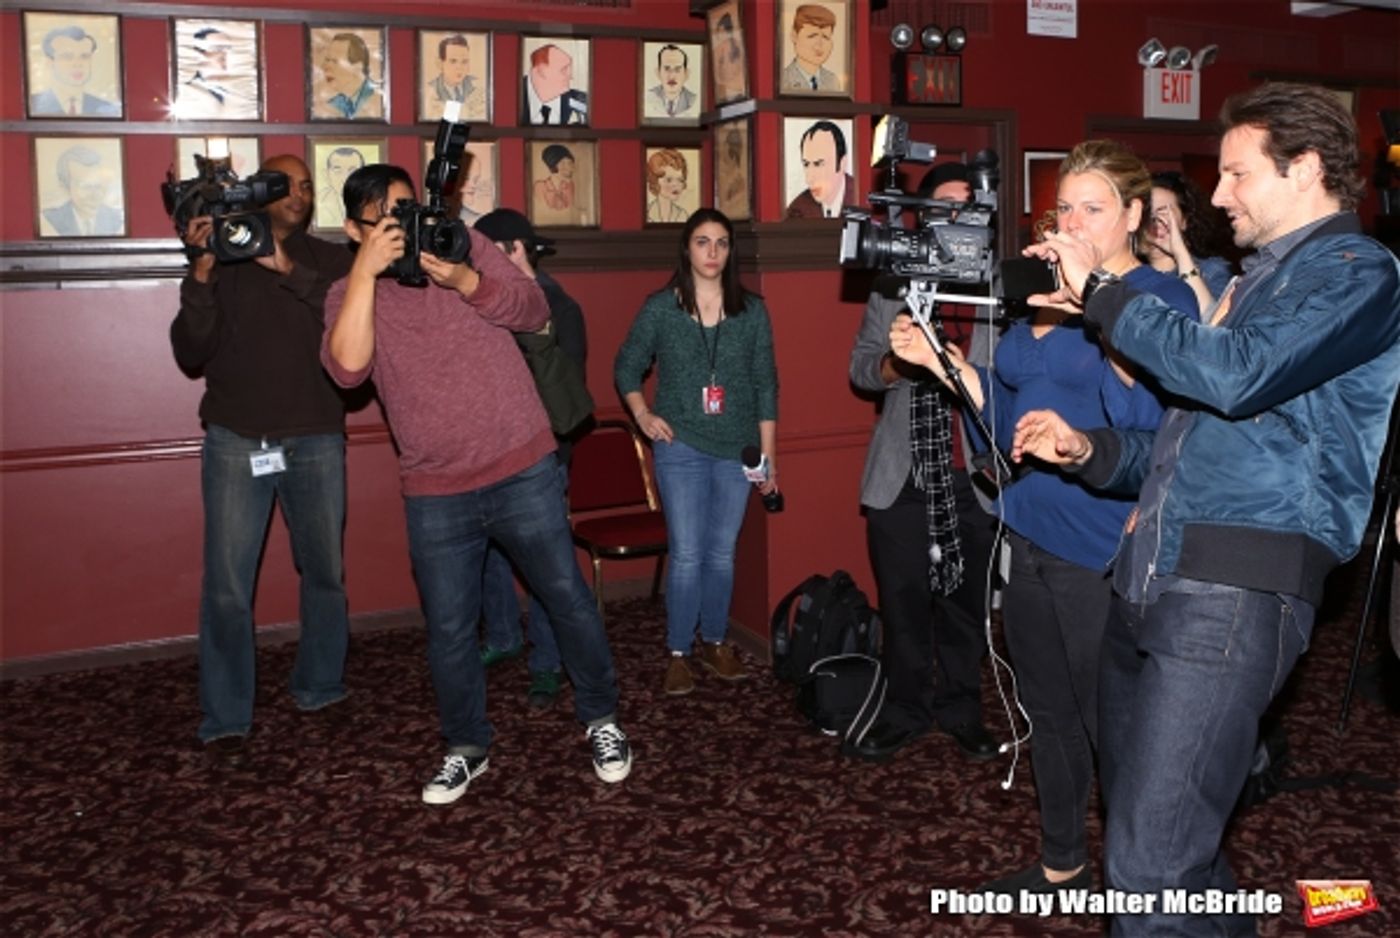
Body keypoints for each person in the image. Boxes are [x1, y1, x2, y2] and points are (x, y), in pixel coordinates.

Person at [1011, 83, 1400, 936]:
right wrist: (1093, 453)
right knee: (1169, 849)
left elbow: (1232, 376)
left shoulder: (1355, 272)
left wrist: (1109, 297)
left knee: (1149, 871)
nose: (1217, 197)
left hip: (1233, 590)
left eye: (1234, 175)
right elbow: (1194, 447)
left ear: (1303, 170)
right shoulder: (1265, 283)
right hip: (1156, 575)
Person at [891, 140, 1201, 895]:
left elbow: (1153, 426)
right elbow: (1006, 424)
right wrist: (946, 366)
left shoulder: (1159, 301)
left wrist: (1100, 311)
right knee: (1046, 712)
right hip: (1028, 532)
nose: (1072, 221)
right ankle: (1063, 857)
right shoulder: (1040, 291)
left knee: (1114, 726)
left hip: (1104, 543)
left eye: (1093, 208)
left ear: (1133, 215)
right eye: (1064, 207)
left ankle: (1144, 879)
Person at [323, 163, 632, 804]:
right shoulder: (348, 292)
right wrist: (364, 272)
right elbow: (349, 371)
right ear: (355, 229)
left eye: (407, 208)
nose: (403, 225)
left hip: (521, 463)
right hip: (436, 488)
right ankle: (466, 746)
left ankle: (602, 719)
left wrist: (467, 279)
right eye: (383, 219)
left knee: (566, 598)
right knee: (450, 629)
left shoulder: (461, 242)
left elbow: (533, 306)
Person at [170, 154, 353, 759]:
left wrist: (283, 265)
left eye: (306, 186)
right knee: (226, 585)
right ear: (259, 191)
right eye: (285, 184)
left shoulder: (329, 258)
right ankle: (226, 713)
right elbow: (190, 350)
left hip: (316, 436)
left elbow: (345, 320)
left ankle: (321, 683)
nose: (298, 194)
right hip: (236, 438)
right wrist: (200, 272)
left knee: (324, 574)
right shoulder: (221, 255)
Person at [846, 162, 1000, 766]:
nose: (956, 219)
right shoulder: (892, 284)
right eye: (944, 208)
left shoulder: (996, 287)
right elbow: (860, 369)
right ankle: (905, 709)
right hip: (902, 479)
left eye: (968, 208)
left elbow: (1021, 377)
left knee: (965, 609)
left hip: (972, 474)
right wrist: (898, 363)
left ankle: (963, 710)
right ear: (924, 216)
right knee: (903, 605)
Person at [614, 209, 779, 696]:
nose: (712, 253)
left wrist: (768, 458)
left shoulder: (752, 311)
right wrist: (642, 415)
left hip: (737, 449)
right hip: (680, 445)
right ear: (686, 248)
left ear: (730, 252)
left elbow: (766, 385)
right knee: (687, 555)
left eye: (722, 243)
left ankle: (715, 641)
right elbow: (626, 366)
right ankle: (679, 651)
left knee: (721, 553)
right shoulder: (661, 308)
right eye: (702, 242)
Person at [471, 208, 588, 711]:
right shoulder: (475, 304)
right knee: (490, 554)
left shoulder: (559, 307)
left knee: (545, 566)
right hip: (485, 451)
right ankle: (502, 634)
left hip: (541, 453)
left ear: (517, 251)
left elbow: (562, 389)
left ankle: (546, 663)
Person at [1144, 169, 1235, 310]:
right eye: (1147, 213)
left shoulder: (1211, 270)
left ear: (1185, 220)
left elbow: (1212, 324)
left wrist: (1180, 254)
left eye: (1163, 211)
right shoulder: (1129, 274)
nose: (1156, 221)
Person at [30, 24, 119, 116]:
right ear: (49, 62)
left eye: (84, 56)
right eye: (67, 57)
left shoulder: (108, 109)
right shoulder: (32, 104)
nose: (78, 64)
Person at [42, 144, 123, 236]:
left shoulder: (119, 220)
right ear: (64, 187)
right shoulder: (49, 221)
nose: (95, 195)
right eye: (85, 186)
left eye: (98, 185)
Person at [786, 121, 854, 219]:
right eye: (806, 164)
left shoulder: (862, 197)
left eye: (818, 164)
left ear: (842, 163)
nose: (809, 179)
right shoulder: (796, 211)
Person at [523, 43, 588, 126]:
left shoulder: (584, 103)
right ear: (541, 71)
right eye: (563, 69)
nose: (570, 76)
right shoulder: (507, 96)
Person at [424, 33, 484, 121]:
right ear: (440, 64)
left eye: (464, 61)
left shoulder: (479, 88)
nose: (459, 67)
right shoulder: (430, 91)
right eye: (453, 61)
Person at [321, 32, 381, 120]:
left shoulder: (378, 102)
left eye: (335, 61)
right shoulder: (332, 105)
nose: (325, 67)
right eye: (327, 60)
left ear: (357, 67)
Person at [782, 4, 839, 92]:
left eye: (826, 37)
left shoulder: (832, 81)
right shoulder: (783, 79)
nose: (819, 45)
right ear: (794, 35)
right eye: (812, 36)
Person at [317, 147, 364, 230]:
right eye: (337, 170)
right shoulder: (319, 199)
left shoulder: (373, 200)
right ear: (326, 174)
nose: (344, 178)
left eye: (352, 171)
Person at [646, 44, 697, 118]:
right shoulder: (649, 98)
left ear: (686, 74)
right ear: (658, 72)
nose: (672, 76)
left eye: (677, 69)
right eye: (667, 69)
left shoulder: (693, 100)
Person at [645, 149, 690, 224]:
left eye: (680, 180)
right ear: (655, 180)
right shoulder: (646, 214)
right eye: (669, 180)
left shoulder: (683, 215)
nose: (676, 185)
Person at [710, 12, 746, 103]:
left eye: (718, 31)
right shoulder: (739, 45)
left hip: (732, 90)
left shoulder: (721, 49)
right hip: (735, 90)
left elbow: (718, 76)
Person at [533, 144, 577, 214]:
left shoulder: (570, 186)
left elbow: (569, 211)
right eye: (569, 163)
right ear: (557, 164)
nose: (573, 168)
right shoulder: (540, 187)